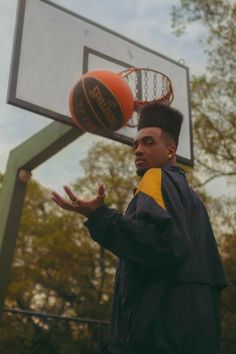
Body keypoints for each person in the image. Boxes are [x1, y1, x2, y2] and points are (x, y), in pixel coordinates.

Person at [51, 103, 227, 354]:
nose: (138, 150)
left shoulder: (155, 177)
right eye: (136, 145)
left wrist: (101, 217)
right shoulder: (194, 201)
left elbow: (159, 243)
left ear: (171, 150)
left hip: (157, 340)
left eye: (148, 142)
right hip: (198, 338)